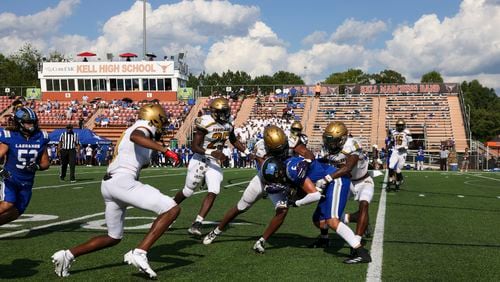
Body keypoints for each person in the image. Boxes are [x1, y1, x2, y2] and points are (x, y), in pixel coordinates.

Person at [51, 104, 180, 279]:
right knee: (171, 209)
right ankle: (140, 252)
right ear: (154, 119)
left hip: (111, 185)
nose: (162, 128)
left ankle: (67, 255)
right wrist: (166, 150)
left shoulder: (138, 131)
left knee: (113, 237)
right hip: (122, 182)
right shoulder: (143, 127)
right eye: (162, 123)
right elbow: (136, 137)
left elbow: (136, 150)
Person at [202, 125, 315, 249]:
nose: (281, 149)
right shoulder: (260, 147)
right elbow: (266, 170)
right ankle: (216, 231)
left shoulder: (291, 139)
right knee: (241, 207)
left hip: (284, 177)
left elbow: (307, 153)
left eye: (283, 145)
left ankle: (261, 241)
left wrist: (306, 162)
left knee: (282, 210)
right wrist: (272, 186)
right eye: (277, 148)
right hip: (264, 179)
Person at [173, 98, 249, 236]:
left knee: (214, 190)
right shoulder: (205, 121)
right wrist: (211, 152)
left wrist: (248, 152)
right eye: (222, 111)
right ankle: (168, 208)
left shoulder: (228, 123)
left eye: (226, 110)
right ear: (214, 112)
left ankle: (197, 223)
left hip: (214, 161)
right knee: (188, 191)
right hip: (200, 159)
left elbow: (233, 140)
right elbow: (194, 146)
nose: (226, 113)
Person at [313, 121, 374, 250]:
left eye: (333, 140)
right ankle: (325, 237)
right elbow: (321, 165)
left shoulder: (352, 144)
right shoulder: (326, 149)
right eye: (328, 140)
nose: (330, 144)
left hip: (362, 181)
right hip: (342, 182)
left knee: (364, 204)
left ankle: (357, 241)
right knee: (325, 217)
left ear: (343, 139)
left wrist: (327, 178)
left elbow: (348, 167)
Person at [0, 107, 50, 226]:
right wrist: (1, 171)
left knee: (17, 212)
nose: (31, 125)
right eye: (28, 123)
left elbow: (46, 163)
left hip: (27, 181)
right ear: (20, 123)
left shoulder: (41, 137)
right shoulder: (10, 136)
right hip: (10, 178)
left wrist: (37, 166)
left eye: (33, 122)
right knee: (8, 203)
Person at [387, 119, 412, 191]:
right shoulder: (394, 132)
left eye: (401, 125)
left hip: (403, 153)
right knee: (391, 166)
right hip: (395, 151)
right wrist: (389, 146)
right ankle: (390, 180)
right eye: (399, 125)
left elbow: (412, 143)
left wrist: (405, 147)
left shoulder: (406, 132)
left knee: (398, 170)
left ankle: (397, 183)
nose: (400, 127)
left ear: (403, 126)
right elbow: (392, 141)